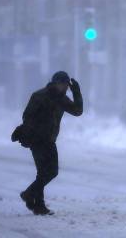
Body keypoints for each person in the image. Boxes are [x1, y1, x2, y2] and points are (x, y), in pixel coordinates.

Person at [19, 71, 83, 215]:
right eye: (62, 84)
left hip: (49, 140)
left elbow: (78, 111)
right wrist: (29, 132)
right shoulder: (39, 96)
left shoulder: (62, 99)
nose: (64, 87)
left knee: (50, 172)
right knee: (45, 172)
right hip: (37, 140)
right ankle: (36, 202)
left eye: (66, 85)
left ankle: (31, 197)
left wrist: (76, 92)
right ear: (54, 83)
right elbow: (27, 116)